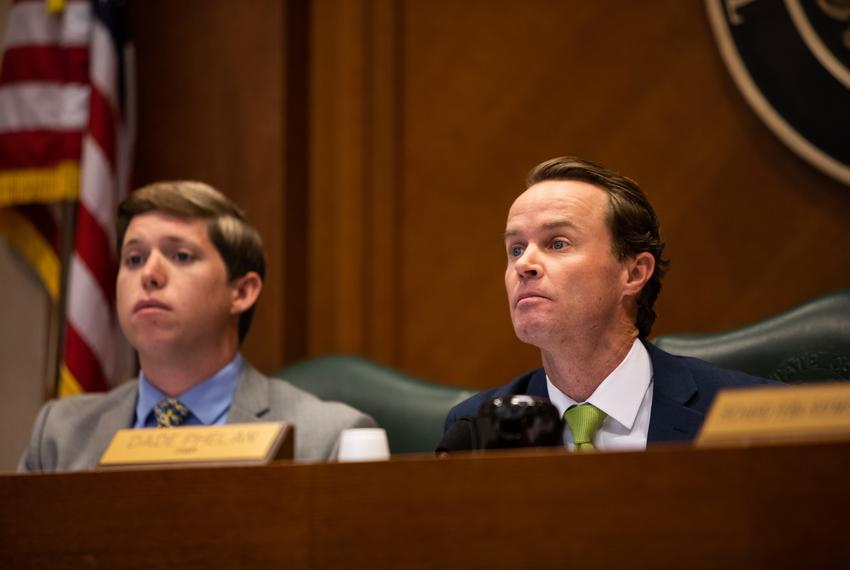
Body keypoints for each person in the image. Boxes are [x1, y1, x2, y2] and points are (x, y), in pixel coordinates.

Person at [20, 181, 375, 471]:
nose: (149, 274)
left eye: (181, 256)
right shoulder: (60, 437)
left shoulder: (329, 438)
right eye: (134, 258)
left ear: (241, 292)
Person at [439, 157, 777, 452]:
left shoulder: (745, 415)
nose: (524, 264)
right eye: (515, 248)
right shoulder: (474, 430)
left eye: (557, 243)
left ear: (633, 273)